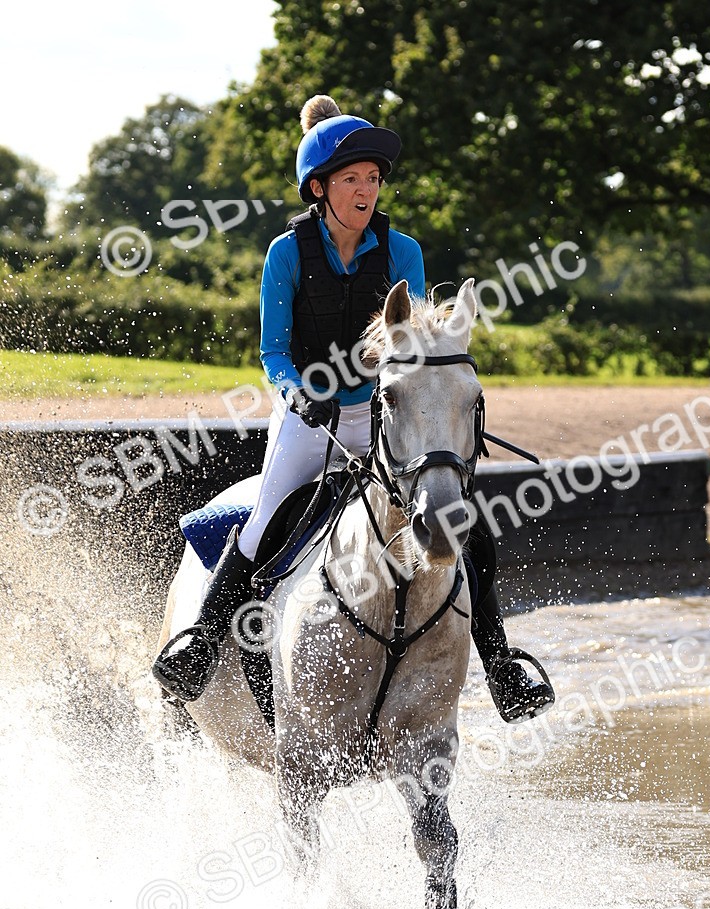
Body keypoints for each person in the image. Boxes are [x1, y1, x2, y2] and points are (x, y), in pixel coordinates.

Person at [152, 95, 554, 723]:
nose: (366, 189)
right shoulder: (286, 255)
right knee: (265, 522)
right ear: (319, 188)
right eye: (351, 179)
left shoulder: (405, 252)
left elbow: (413, 345)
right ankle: (201, 645)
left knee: (462, 523)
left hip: (383, 412)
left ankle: (503, 667)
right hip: (308, 416)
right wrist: (295, 394)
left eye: (372, 178)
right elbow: (273, 349)